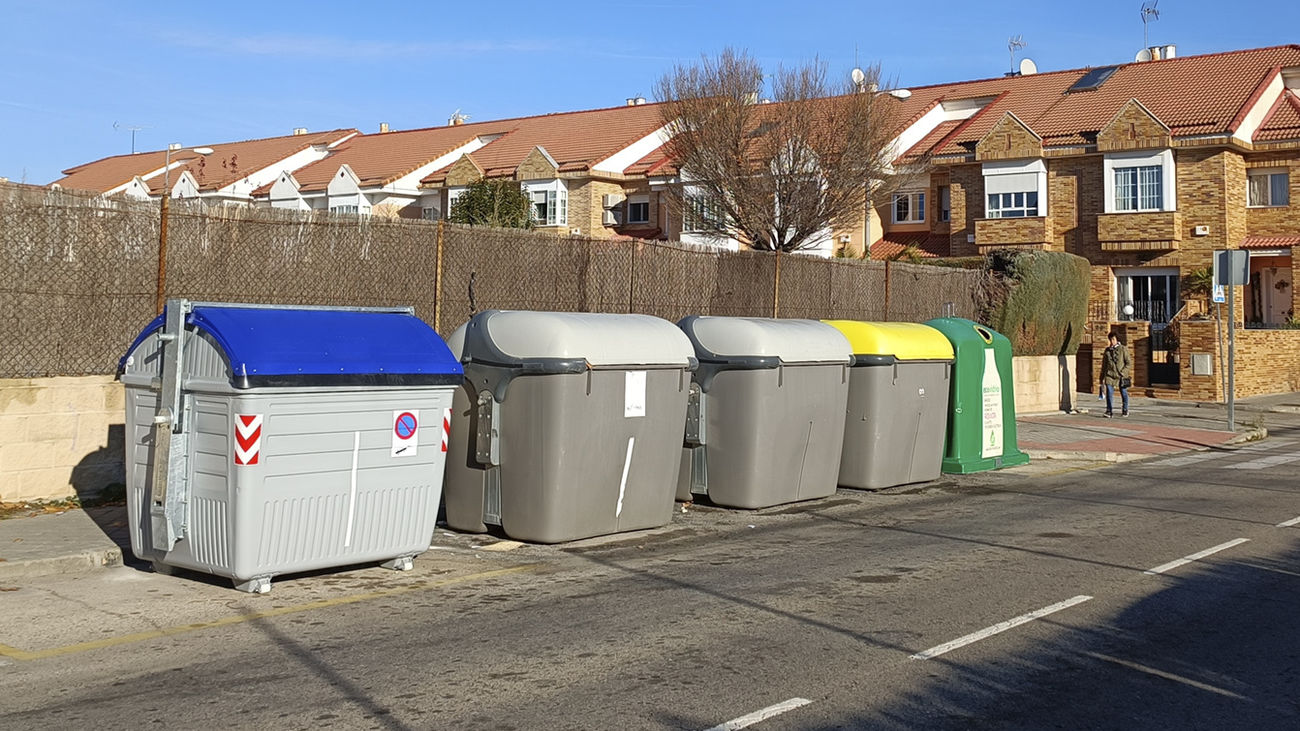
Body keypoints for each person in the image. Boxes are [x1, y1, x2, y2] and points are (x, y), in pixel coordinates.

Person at [1100, 332, 1132, 418]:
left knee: (1124, 393)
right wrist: (1101, 378)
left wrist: (1123, 372)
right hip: (1110, 375)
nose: (1112, 341)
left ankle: (1125, 409)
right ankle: (1109, 411)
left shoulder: (1123, 349)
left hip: (1121, 375)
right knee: (1109, 393)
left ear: (1117, 339)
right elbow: (1104, 365)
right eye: (1110, 340)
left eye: (1113, 339)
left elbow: (1128, 363)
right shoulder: (1107, 351)